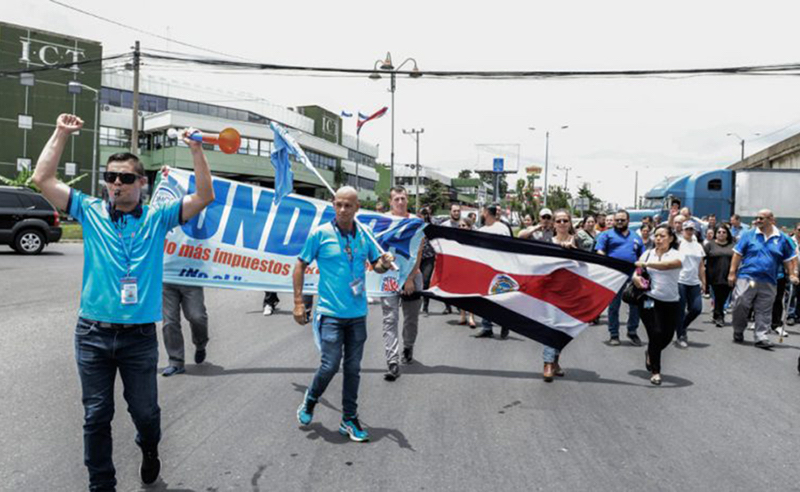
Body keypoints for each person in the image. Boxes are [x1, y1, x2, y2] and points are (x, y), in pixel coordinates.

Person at [32, 114, 215, 490]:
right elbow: (42, 179)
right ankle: (102, 484)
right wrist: (61, 133)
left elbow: (204, 196)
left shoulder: (158, 217)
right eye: (111, 177)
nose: (117, 183)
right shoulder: (89, 211)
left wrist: (196, 149)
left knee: (145, 414)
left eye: (126, 177)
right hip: (92, 334)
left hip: (138, 339)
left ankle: (149, 449)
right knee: (96, 415)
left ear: (141, 183)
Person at [293, 186, 394, 442]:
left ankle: (349, 418)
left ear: (357, 207)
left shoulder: (365, 236)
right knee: (330, 365)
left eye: (348, 205)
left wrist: (384, 261)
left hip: (357, 314)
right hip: (330, 313)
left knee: (353, 368)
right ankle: (311, 399)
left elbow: (378, 267)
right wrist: (297, 302)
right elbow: (300, 265)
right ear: (333, 205)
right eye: (338, 204)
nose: (342, 210)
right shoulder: (321, 234)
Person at [728, 209, 799, 348]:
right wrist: (732, 272)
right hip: (749, 277)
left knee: (764, 309)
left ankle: (761, 336)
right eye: (757, 217)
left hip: (769, 280)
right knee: (741, 302)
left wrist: (792, 274)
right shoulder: (749, 235)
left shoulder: (782, 238)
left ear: (771, 220)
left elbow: (789, 259)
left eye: (761, 218)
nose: (758, 220)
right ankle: (738, 329)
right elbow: (737, 254)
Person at [380, 187, 424, 381]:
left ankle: (408, 346)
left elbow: (419, 253)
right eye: (396, 199)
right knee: (390, 319)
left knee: (411, 318)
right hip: (388, 277)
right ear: (390, 202)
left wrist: (409, 279)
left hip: (411, 276)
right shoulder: (382, 221)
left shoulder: (415, 222)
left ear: (408, 200)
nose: (400, 202)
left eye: (403, 198)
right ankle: (392, 361)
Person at [634, 224, 682, 385]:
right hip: (649, 300)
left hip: (671, 301)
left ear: (671, 238)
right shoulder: (647, 254)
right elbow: (637, 272)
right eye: (657, 236)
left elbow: (668, 266)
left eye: (662, 236)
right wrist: (636, 279)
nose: (659, 239)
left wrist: (646, 265)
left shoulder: (678, 254)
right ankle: (656, 371)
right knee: (655, 333)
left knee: (667, 336)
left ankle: (651, 352)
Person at [595, 210, 644, 346]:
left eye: (623, 219)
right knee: (614, 306)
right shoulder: (606, 235)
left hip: (633, 275)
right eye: (617, 220)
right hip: (614, 274)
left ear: (628, 221)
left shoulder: (636, 236)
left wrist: (640, 272)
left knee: (635, 304)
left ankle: (632, 331)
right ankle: (614, 334)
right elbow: (600, 251)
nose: (620, 222)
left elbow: (642, 256)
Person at [543, 209, 577, 382]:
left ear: (570, 223)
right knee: (551, 325)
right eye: (559, 221)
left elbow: (587, 265)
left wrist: (574, 251)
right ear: (553, 224)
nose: (562, 224)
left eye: (565, 221)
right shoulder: (547, 241)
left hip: (570, 291)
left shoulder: (577, 241)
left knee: (563, 327)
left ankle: (556, 360)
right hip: (550, 290)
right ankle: (547, 363)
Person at [473, 203, 512, 339]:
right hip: (485, 269)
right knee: (484, 298)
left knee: (499, 297)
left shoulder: (502, 229)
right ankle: (486, 326)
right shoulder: (481, 230)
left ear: (486, 213)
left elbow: (507, 247)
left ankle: (504, 322)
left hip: (499, 268)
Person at [161, 284, 209, 377]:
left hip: (190, 279)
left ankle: (200, 344)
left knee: (197, 317)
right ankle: (176, 362)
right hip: (167, 281)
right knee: (169, 322)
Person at [676, 221, 706, 348]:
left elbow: (701, 266)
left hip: (694, 281)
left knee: (696, 308)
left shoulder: (698, 246)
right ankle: (681, 334)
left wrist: (704, 282)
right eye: (687, 229)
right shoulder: (678, 244)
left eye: (691, 229)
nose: (689, 231)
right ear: (682, 230)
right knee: (680, 309)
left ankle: (682, 326)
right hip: (680, 280)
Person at [704, 224, 735, 327]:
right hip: (713, 275)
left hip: (728, 275)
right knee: (717, 296)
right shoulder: (709, 245)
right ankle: (719, 316)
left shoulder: (733, 245)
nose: (721, 234)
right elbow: (701, 259)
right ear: (715, 234)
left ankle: (717, 314)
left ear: (727, 234)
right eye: (719, 232)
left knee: (724, 296)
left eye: (724, 232)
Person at [457, 219, 477, 328]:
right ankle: (462, 315)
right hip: (460, 268)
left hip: (471, 268)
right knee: (461, 293)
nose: (461, 227)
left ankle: (471, 316)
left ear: (469, 226)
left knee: (471, 293)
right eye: (459, 225)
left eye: (463, 225)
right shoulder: (455, 238)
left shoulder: (474, 238)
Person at [419, 207, 436, 315]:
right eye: (422, 213)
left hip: (429, 256)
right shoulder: (415, 223)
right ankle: (414, 303)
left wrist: (428, 219)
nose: (424, 214)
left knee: (426, 281)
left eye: (426, 213)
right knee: (416, 281)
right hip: (416, 256)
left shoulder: (432, 223)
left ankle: (425, 306)